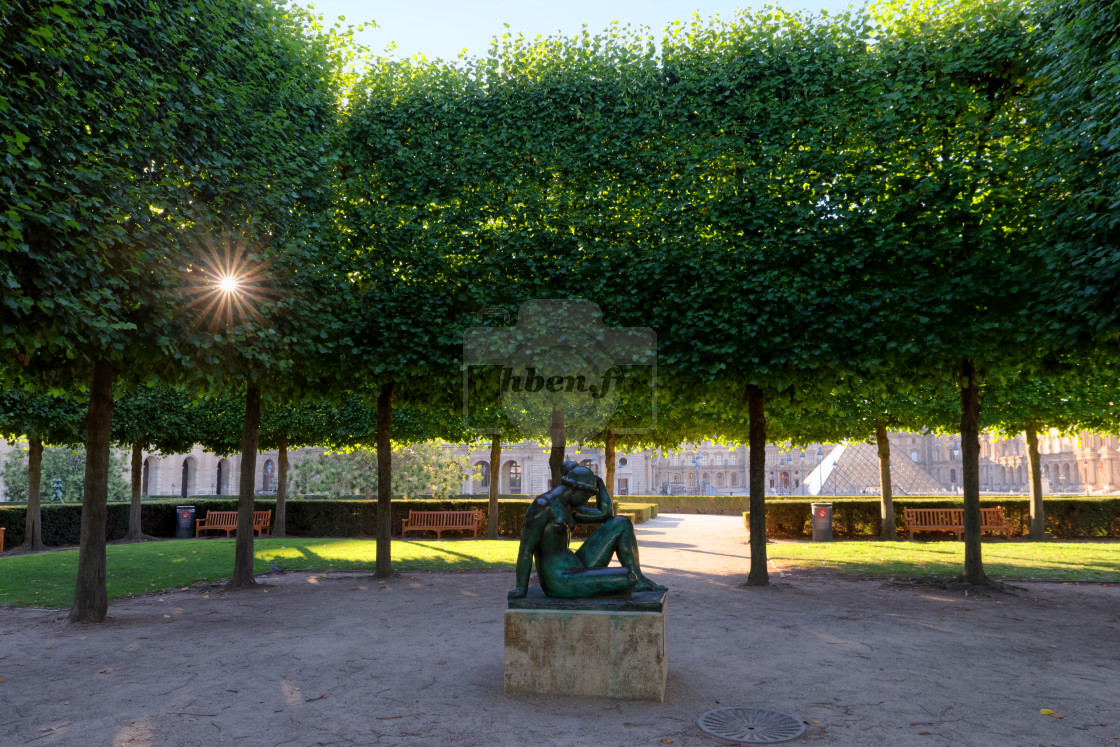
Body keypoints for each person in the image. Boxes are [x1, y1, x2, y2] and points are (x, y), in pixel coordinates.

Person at [508, 464, 666, 600]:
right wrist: (521, 589)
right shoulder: (543, 506)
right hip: (559, 579)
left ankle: (639, 580)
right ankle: (634, 579)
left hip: (577, 565)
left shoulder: (569, 507)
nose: (587, 500)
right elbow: (526, 550)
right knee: (627, 577)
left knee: (621, 523)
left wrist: (598, 481)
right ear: (576, 488)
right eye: (587, 495)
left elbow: (605, 514)